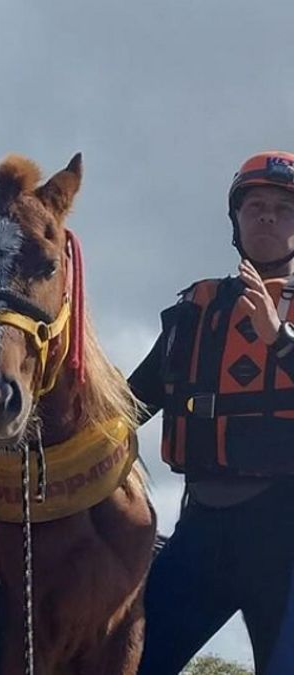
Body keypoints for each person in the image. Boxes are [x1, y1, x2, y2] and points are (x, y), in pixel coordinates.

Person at [131, 150, 294, 675]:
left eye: (283, 208)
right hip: (203, 527)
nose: (267, 215)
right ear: (236, 220)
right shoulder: (194, 311)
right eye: (255, 206)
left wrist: (279, 340)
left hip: (284, 533)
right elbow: (129, 404)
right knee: (131, 661)